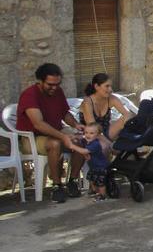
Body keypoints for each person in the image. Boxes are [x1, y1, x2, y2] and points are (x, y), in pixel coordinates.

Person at [16, 63, 85, 202]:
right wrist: (64, 136)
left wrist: (76, 125)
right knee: (55, 144)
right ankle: (56, 186)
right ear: (40, 81)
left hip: (56, 131)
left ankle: (72, 181)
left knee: (82, 141)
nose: (54, 87)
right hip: (31, 137)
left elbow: (64, 113)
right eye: (50, 84)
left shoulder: (58, 92)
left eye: (57, 84)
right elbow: (38, 124)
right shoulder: (29, 95)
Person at [79, 73, 133, 142]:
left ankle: (133, 144)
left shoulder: (111, 98)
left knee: (128, 117)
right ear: (96, 86)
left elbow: (128, 114)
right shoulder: (87, 102)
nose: (110, 89)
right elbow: (93, 128)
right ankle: (120, 147)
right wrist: (108, 143)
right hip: (91, 136)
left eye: (111, 86)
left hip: (107, 132)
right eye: (107, 86)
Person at [66, 122, 112, 202]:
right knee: (91, 179)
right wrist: (74, 137)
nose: (88, 135)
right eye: (86, 132)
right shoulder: (87, 141)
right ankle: (95, 191)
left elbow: (85, 151)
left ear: (98, 135)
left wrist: (72, 146)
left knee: (100, 182)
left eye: (91, 133)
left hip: (100, 167)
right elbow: (81, 139)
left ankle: (103, 195)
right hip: (93, 166)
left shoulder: (95, 144)